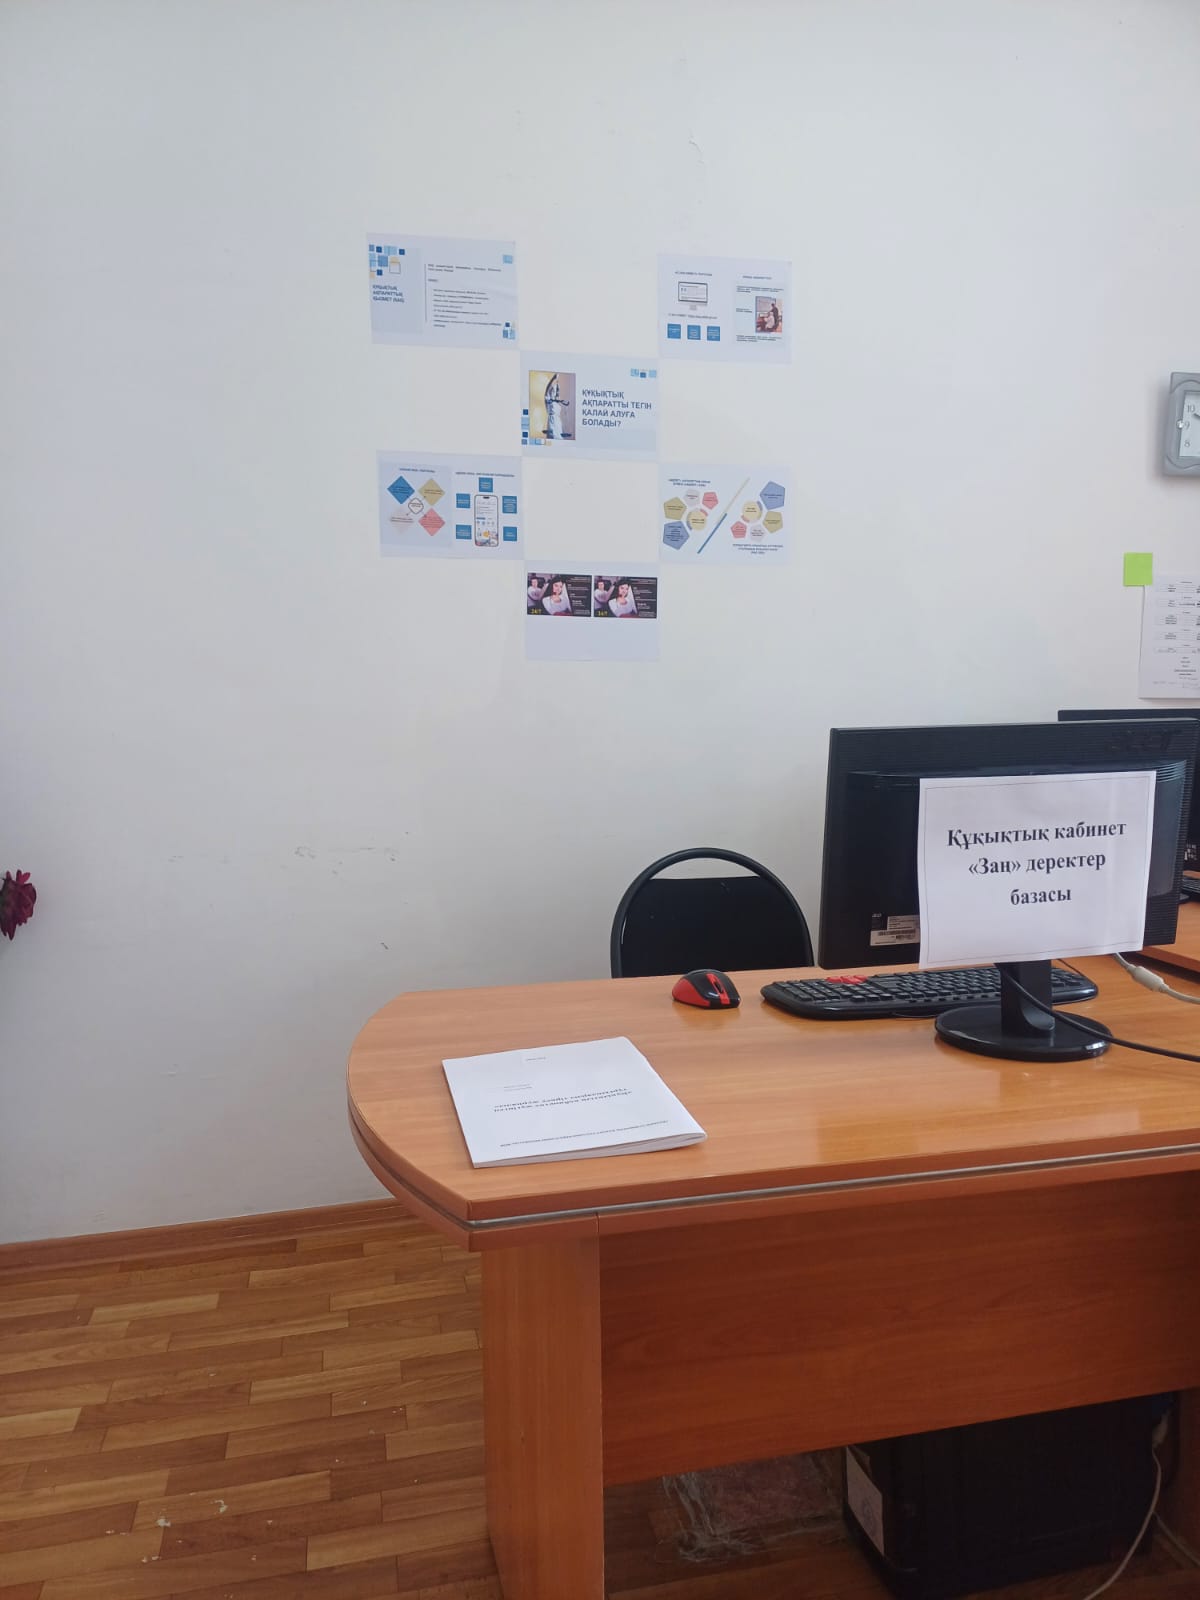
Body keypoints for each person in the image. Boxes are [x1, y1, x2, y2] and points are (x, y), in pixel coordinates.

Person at [544, 374, 570, 440]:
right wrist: (553, 378)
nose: (557, 393)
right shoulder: (549, 400)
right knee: (553, 437)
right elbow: (547, 388)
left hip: (558, 423)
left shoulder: (558, 402)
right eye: (555, 391)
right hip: (552, 422)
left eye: (558, 391)